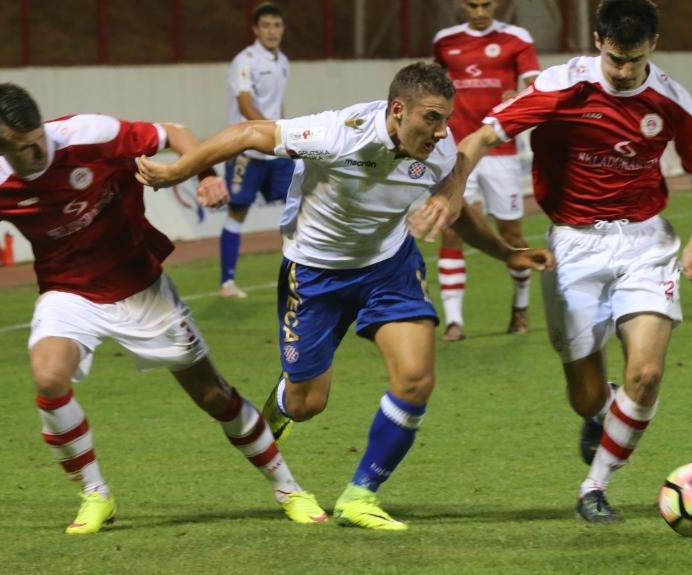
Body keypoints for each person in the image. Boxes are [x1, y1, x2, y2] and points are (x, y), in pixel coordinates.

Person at [137, 62, 555, 530]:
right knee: (307, 404)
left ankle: (360, 495)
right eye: (432, 118)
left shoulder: (437, 149)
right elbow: (249, 132)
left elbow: (454, 197)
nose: (442, 132)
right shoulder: (339, 133)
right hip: (316, 274)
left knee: (416, 378)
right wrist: (179, 171)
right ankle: (284, 399)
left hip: (389, 267)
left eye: (446, 119)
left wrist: (507, 254)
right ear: (398, 111)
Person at [0, 83, 327, 535]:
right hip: (68, 293)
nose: (37, 153)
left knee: (214, 396)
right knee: (48, 377)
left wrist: (204, 174)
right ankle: (95, 494)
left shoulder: (88, 134)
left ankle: (289, 489)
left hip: (139, 285)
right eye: (23, 149)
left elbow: (174, 132)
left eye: (39, 140)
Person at [449, 0, 692, 522]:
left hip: (646, 244)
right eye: (616, 59)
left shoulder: (673, 102)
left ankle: (593, 487)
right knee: (585, 396)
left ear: (653, 46)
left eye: (635, 60)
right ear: (598, 42)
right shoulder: (561, 86)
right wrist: (452, 190)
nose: (623, 72)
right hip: (573, 245)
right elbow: (482, 136)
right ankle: (605, 410)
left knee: (647, 372)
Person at [433, 0, 540, 341]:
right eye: (472, 5)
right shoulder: (445, 41)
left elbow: (536, 86)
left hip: (501, 150)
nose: (480, 12)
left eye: (486, 4)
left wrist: (518, 96)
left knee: (511, 235)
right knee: (452, 228)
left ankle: (520, 306)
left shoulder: (517, 38)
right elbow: (434, 88)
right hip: (458, 151)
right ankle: (454, 321)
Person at [219, 1, 294, 299]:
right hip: (247, 149)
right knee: (237, 211)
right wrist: (273, 129)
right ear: (255, 30)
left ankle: (301, 275)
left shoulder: (283, 61)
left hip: (275, 147)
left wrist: (284, 130)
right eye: (266, 26)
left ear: (283, 29)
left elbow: (278, 104)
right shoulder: (244, 61)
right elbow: (245, 104)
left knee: (299, 206)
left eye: (277, 25)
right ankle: (227, 283)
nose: (272, 31)